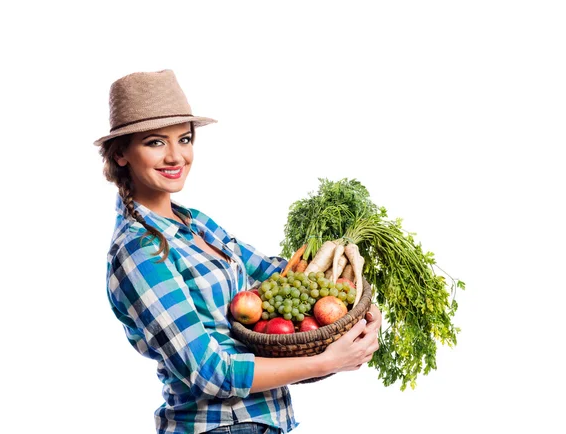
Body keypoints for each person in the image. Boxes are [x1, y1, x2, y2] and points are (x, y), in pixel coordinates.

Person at [94, 69, 382, 434]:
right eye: (155, 142)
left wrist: (357, 304)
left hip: (261, 422)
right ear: (121, 154)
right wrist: (325, 362)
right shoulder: (139, 252)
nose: (175, 156)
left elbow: (279, 275)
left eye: (184, 139)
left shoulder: (196, 224)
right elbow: (209, 371)